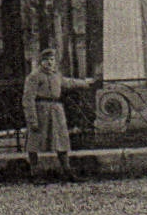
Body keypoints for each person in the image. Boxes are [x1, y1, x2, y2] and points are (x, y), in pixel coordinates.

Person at [22, 50, 96, 182]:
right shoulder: (34, 76)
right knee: (35, 141)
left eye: (52, 60)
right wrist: (32, 119)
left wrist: (85, 82)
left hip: (56, 110)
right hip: (41, 110)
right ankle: (35, 173)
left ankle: (67, 170)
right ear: (41, 62)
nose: (50, 63)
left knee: (61, 139)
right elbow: (28, 99)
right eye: (47, 60)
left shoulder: (56, 75)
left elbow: (69, 82)